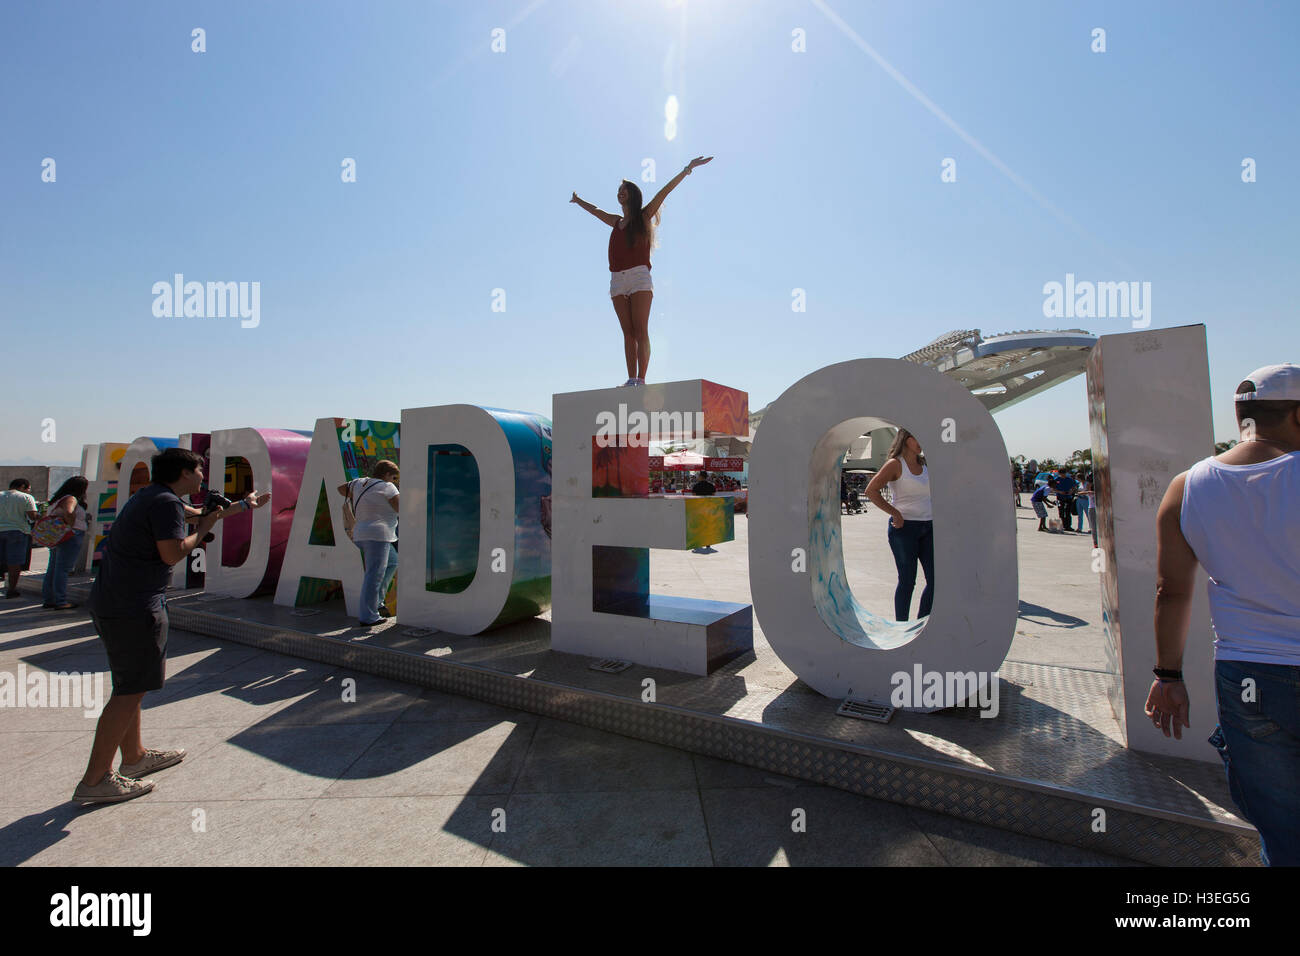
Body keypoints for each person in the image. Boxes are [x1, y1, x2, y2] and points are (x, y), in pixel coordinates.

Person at [1146, 364, 1300, 866]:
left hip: (1248, 677)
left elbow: (1171, 591)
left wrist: (1168, 675)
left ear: (1241, 417)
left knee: (1282, 828)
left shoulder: (1187, 486)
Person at [74, 448, 269, 804]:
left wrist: (244, 506)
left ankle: (134, 757)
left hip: (114, 601)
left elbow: (200, 515)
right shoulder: (165, 504)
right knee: (130, 690)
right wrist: (207, 527)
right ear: (184, 472)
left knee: (131, 684)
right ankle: (96, 779)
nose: (202, 476)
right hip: (135, 607)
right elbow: (174, 552)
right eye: (198, 470)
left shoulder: (154, 497)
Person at [570, 156, 713, 386]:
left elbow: (664, 192)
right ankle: (631, 378)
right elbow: (596, 211)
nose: (620, 193)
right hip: (617, 279)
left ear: (633, 195)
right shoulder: (616, 222)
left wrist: (688, 169)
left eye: (624, 190)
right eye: (618, 190)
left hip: (639, 277)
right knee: (627, 333)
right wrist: (578, 201)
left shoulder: (644, 216)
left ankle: (642, 379)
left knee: (640, 330)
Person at [865, 429, 934, 621]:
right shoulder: (895, 464)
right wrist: (894, 513)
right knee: (907, 581)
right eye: (918, 438)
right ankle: (901, 625)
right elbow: (871, 491)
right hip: (904, 530)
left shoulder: (925, 464)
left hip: (928, 527)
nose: (922, 442)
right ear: (907, 439)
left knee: (935, 580)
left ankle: (922, 623)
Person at [339, 460, 400, 627]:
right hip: (378, 535)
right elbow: (400, 508)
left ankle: (377, 602)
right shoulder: (388, 487)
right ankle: (368, 616)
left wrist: (365, 499)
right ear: (387, 474)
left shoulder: (359, 482)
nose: (394, 481)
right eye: (394, 477)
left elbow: (340, 489)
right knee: (373, 575)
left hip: (360, 533)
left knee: (393, 562)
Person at [41, 476, 90, 609]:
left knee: (53, 568)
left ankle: (49, 598)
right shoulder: (71, 498)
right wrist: (71, 525)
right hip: (70, 536)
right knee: (63, 569)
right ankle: (61, 600)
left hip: (57, 537)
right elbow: (69, 511)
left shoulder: (56, 500)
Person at [0, 478, 39, 598]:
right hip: (18, 532)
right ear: (23, 486)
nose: (28, 491)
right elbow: (32, 516)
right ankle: (11, 590)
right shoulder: (26, 498)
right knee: (14, 563)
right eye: (28, 489)